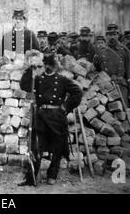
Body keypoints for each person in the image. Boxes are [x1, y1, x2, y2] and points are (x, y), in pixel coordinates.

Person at [19, 52, 83, 186]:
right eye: (46, 65)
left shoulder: (62, 80)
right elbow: (24, 86)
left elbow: (78, 92)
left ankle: (52, 174)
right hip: (41, 117)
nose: (48, 68)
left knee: (58, 148)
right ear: (43, 66)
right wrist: (30, 69)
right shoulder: (38, 79)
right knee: (36, 147)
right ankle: (32, 177)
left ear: (55, 66)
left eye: (51, 65)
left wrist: (65, 107)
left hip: (57, 117)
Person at [93, 24, 130, 106]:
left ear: (118, 35)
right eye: (109, 34)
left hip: (120, 86)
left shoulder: (125, 51)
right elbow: (95, 70)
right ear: (106, 36)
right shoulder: (100, 52)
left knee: (122, 113)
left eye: (114, 34)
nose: (112, 37)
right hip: (105, 87)